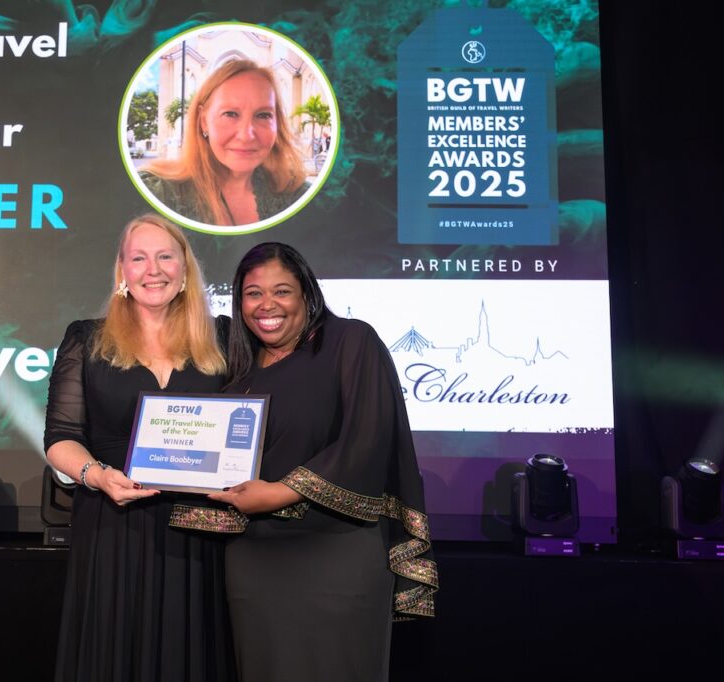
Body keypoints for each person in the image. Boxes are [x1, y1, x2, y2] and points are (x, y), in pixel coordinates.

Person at [208, 243, 437, 682]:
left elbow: (367, 437)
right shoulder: (236, 366)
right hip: (254, 557)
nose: (267, 305)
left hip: (337, 549)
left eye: (282, 291)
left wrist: (279, 493)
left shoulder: (351, 341)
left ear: (306, 294)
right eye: (253, 293)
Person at [43, 214, 234, 682]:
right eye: (139, 258)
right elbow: (61, 436)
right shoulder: (87, 339)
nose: (154, 269)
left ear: (185, 269)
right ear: (122, 271)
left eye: (165, 256)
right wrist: (97, 476)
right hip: (115, 521)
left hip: (201, 527)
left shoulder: (226, 338)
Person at [140, 59, 308, 227]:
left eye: (263, 115)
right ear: (204, 121)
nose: (246, 136)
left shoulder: (300, 196)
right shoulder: (155, 193)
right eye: (230, 114)